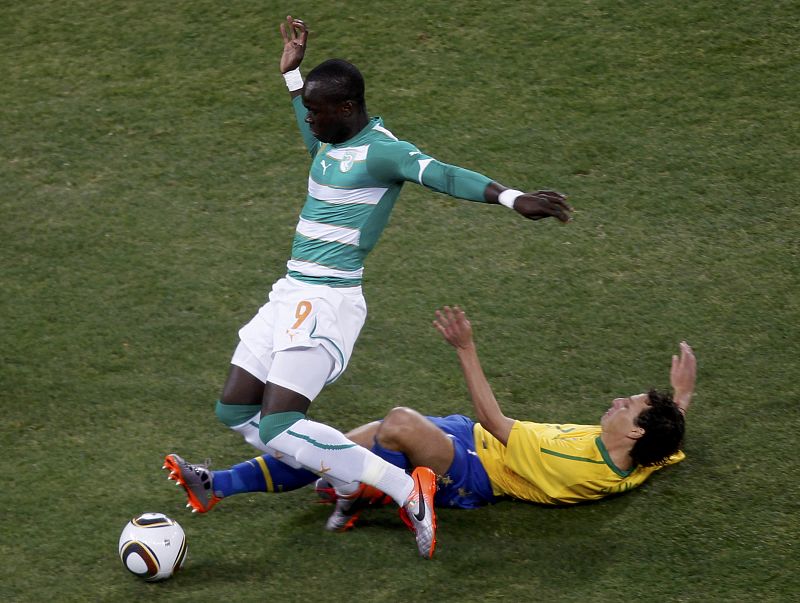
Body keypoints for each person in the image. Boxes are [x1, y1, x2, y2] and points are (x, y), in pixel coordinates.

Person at [165, 15, 572, 560]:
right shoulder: (328, 143)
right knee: (235, 411)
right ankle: (348, 481)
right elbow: (315, 139)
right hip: (290, 291)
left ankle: (406, 490)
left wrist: (513, 198)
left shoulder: (384, 152)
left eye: (316, 110)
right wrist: (292, 77)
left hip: (327, 299)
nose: (309, 119)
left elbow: (444, 173)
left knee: (282, 424)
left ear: (347, 108)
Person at [166, 306, 694, 534]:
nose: (617, 401)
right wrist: (680, 396)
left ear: (634, 431)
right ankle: (220, 485)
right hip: (469, 439)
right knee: (338, 448)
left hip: (477, 474)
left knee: (395, 425)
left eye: (628, 407)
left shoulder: (572, 461)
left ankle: (362, 493)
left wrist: (465, 348)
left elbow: (495, 420)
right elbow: (666, 443)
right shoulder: (639, 456)